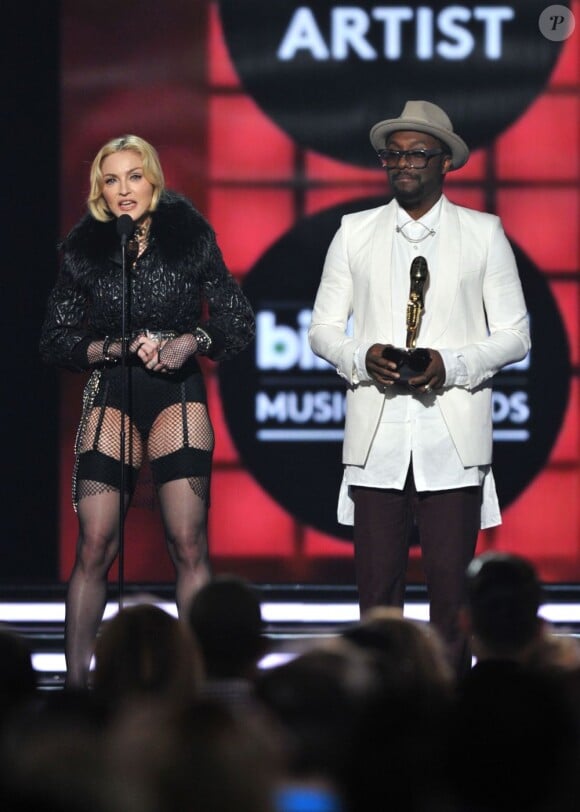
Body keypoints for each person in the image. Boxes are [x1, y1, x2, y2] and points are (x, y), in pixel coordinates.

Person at [308, 100, 530, 676]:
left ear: (445, 162)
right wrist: (363, 356)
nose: (403, 163)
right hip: (378, 437)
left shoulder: (483, 234)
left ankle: (455, 727)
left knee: (452, 602)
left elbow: (516, 335)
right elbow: (322, 330)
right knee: (376, 599)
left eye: (417, 154)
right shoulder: (354, 231)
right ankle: (375, 722)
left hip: (451, 438)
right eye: (394, 154)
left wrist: (450, 364)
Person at [40, 134, 255, 688]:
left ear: (153, 180)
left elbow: (236, 319)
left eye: (134, 176)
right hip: (111, 393)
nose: (123, 190)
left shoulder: (189, 238)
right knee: (95, 543)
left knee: (187, 542)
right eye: (111, 180)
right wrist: (111, 348)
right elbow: (56, 339)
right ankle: (77, 685)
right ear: (99, 190)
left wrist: (190, 340)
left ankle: (203, 680)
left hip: (175, 395)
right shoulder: (84, 250)